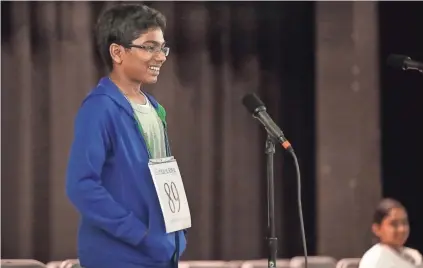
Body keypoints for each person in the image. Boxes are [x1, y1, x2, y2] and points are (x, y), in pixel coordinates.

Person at [66, 3, 189, 268]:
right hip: (118, 257)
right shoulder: (100, 107)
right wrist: (138, 233)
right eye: (149, 47)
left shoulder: (155, 109)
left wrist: (176, 234)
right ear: (117, 52)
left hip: (160, 254)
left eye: (162, 47)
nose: (161, 56)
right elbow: (81, 185)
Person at [359, 198, 422, 268]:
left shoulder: (414, 256)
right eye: (394, 224)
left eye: (404, 223)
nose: (402, 229)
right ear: (377, 229)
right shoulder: (373, 260)